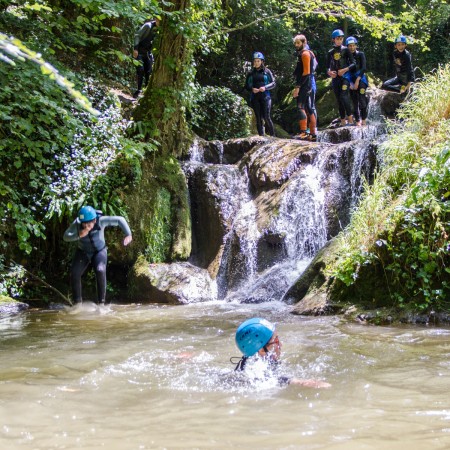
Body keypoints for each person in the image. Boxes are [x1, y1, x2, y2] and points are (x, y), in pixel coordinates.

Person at [233, 317, 331, 388]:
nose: (280, 344)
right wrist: (303, 382)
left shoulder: (248, 362)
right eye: (276, 340)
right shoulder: (258, 371)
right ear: (262, 350)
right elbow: (279, 380)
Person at [63, 206, 133, 305]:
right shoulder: (77, 223)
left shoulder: (101, 221)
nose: (86, 226)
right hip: (83, 252)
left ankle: (101, 304)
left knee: (100, 270)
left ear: (94, 220)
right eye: (84, 224)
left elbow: (119, 220)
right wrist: (78, 235)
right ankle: (77, 304)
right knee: (75, 273)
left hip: (99, 251)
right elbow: (66, 236)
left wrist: (128, 234)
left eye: (89, 224)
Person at [326, 29, 356, 127]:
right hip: (335, 79)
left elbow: (353, 63)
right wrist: (329, 72)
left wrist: (345, 70)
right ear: (333, 40)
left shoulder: (346, 50)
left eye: (341, 38)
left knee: (344, 96)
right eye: (337, 39)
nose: (339, 40)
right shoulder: (330, 52)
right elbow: (326, 66)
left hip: (345, 77)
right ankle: (343, 120)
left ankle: (351, 119)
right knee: (339, 99)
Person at [292, 34, 318, 142]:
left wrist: (298, 87)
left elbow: (306, 72)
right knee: (309, 107)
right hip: (309, 83)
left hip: (306, 84)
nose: (296, 45)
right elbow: (315, 66)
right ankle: (312, 134)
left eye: (298, 43)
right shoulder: (308, 53)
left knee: (301, 107)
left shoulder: (305, 54)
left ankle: (304, 132)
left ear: (304, 43)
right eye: (295, 43)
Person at [244, 52, 276, 137]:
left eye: (258, 61)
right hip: (255, 98)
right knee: (258, 118)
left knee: (266, 117)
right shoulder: (250, 73)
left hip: (266, 97)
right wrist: (252, 89)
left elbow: (273, 83)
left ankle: (273, 136)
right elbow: (246, 86)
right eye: (255, 61)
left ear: (262, 61)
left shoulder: (267, 71)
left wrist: (265, 87)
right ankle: (261, 136)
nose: (256, 63)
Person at [132, 17, 160, 99]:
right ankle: (138, 90)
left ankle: (146, 92)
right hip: (140, 51)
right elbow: (137, 35)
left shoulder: (160, 30)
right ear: (156, 20)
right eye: (158, 21)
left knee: (149, 72)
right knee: (140, 70)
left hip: (148, 53)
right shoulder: (148, 26)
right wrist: (135, 49)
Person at [345, 36, 369, 126]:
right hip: (351, 79)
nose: (351, 47)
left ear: (356, 46)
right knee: (354, 100)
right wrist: (351, 83)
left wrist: (357, 80)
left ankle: (364, 119)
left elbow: (363, 68)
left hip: (361, 78)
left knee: (362, 98)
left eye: (353, 45)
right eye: (350, 46)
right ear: (347, 47)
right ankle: (357, 120)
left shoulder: (360, 54)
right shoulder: (346, 57)